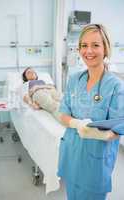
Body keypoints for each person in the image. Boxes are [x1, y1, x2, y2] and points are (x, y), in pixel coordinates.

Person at [57, 24, 124, 200]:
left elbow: (117, 130)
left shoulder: (116, 86)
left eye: (95, 45)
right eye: (84, 46)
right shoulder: (74, 79)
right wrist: (77, 123)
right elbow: (62, 113)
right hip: (72, 155)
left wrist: (93, 133)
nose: (89, 51)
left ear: (105, 48)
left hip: (95, 163)